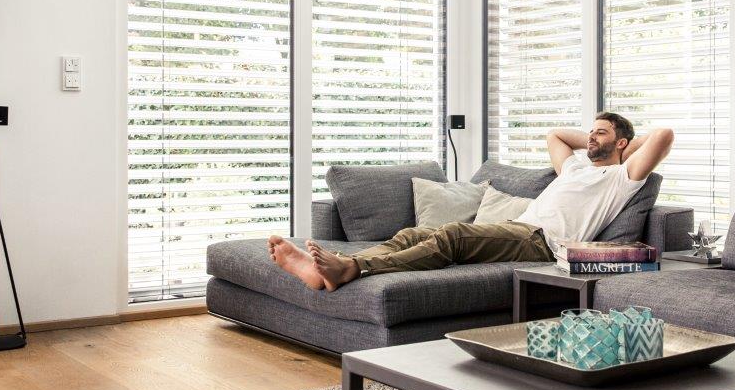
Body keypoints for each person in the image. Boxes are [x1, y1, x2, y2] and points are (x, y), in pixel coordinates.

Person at [268, 112, 674, 292]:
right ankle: (331, 269)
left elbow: (663, 136)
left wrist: (623, 147)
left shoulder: (621, 179)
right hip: (517, 229)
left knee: (453, 236)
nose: (590, 138)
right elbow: (555, 135)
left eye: (600, 133)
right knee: (412, 234)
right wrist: (596, 140)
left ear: (623, 143)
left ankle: (352, 268)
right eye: (590, 131)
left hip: (542, 242)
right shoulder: (576, 168)